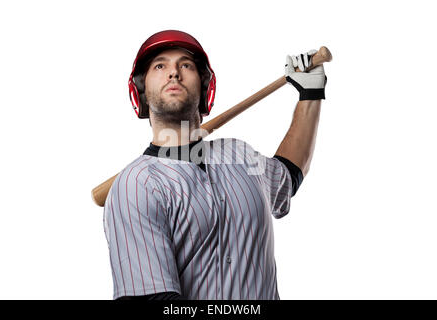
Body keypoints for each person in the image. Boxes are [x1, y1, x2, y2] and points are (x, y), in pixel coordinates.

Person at [103, 30, 327, 300]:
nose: (174, 72)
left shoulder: (239, 154)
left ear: (205, 87)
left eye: (185, 65)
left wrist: (310, 93)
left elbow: (288, 176)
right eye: (160, 66)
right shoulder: (136, 185)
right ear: (141, 93)